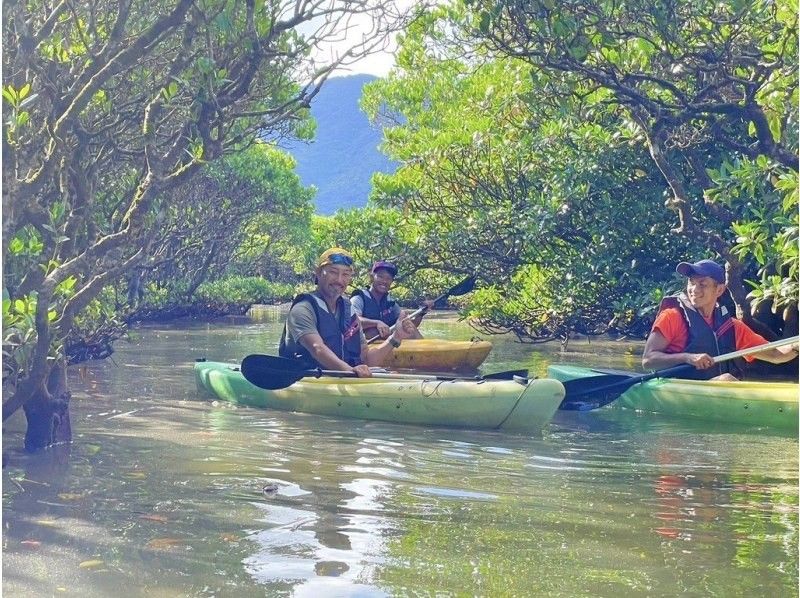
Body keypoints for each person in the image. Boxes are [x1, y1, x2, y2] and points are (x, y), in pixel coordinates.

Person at [641, 259, 798, 380]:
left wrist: (796, 347)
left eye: (703, 284)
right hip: (678, 386)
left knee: (728, 380)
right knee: (727, 379)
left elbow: (776, 354)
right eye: (692, 282)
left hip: (717, 388)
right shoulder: (672, 317)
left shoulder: (732, 327)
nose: (694, 290)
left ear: (720, 289)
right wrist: (688, 358)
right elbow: (648, 360)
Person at [279, 248, 416, 377]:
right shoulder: (303, 309)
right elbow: (317, 348)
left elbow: (367, 359)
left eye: (345, 274)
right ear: (319, 273)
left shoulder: (348, 310)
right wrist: (351, 371)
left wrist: (396, 337)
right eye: (333, 272)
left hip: (346, 376)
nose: (339, 280)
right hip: (308, 377)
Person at [350, 260, 425, 340]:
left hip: (386, 344)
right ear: (372, 277)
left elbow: (409, 327)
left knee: (411, 329)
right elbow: (353, 321)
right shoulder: (358, 298)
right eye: (380, 277)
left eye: (388, 278)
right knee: (373, 331)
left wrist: (422, 313)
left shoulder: (391, 303)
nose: (384, 281)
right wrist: (376, 323)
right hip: (365, 345)